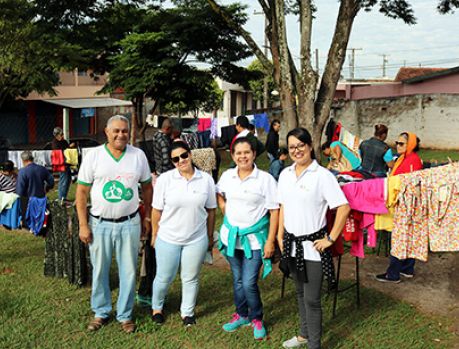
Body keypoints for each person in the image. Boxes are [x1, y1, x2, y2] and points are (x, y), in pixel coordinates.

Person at [76, 115, 153, 334]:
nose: (121, 135)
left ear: (130, 133)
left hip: (130, 223)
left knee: (129, 270)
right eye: (116, 131)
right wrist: (83, 224)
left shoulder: (138, 156)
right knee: (100, 270)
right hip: (99, 224)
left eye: (125, 131)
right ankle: (101, 311)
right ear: (106, 132)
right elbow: (81, 192)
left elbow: (147, 187)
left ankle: (125, 314)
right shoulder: (94, 156)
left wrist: (146, 217)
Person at [278, 128, 350, 349]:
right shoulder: (285, 174)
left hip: (313, 248)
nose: (297, 151)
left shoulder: (322, 176)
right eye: (292, 147)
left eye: (301, 145)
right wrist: (280, 235)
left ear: (310, 146)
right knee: (300, 293)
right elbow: (283, 206)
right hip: (291, 245)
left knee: (312, 299)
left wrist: (330, 238)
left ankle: (314, 345)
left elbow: (343, 207)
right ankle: (303, 334)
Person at [217, 137, 279, 340]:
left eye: (247, 152)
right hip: (231, 239)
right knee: (237, 280)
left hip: (254, 240)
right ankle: (242, 314)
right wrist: (224, 208)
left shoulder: (265, 179)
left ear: (254, 154)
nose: (242, 156)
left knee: (248, 282)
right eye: (238, 153)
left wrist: (271, 241)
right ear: (233, 155)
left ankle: (257, 317)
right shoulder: (227, 176)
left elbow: (274, 211)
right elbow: (219, 193)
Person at [150, 141, 216, 326]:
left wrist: (210, 237)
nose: (181, 160)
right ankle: (157, 308)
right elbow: (156, 210)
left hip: (196, 239)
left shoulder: (206, 179)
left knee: (190, 277)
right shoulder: (165, 179)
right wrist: (155, 234)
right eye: (175, 159)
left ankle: (187, 312)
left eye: (184, 155)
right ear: (172, 162)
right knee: (164, 276)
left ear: (191, 154)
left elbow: (211, 210)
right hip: (168, 238)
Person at [376, 132, 423, 284]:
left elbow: (412, 183)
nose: (397, 145)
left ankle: (393, 273)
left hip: (407, 204)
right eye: (397, 142)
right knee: (408, 234)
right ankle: (407, 268)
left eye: (401, 143)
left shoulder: (413, 160)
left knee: (399, 237)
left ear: (411, 145)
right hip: (405, 203)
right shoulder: (403, 158)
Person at [51, 127, 73, 202]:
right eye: (60, 135)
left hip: (67, 162)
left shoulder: (64, 141)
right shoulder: (55, 142)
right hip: (61, 163)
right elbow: (58, 152)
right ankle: (61, 197)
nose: (62, 136)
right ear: (56, 135)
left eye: (62, 134)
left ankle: (64, 196)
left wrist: (70, 147)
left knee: (68, 179)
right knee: (64, 179)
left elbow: (67, 149)